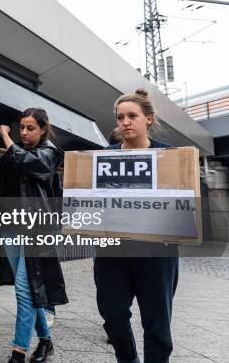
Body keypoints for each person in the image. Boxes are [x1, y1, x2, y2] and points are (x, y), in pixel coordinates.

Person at [94, 89, 179, 363]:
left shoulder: (169, 156)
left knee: (157, 323)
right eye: (120, 117)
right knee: (113, 315)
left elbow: (184, 206)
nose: (125, 122)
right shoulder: (102, 157)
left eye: (132, 116)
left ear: (148, 119)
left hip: (156, 252)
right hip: (111, 252)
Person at [0, 108, 68, 363]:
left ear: (43, 129)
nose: (24, 132)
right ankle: (45, 341)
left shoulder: (50, 152)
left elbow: (34, 165)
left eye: (31, 128)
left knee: (23, 288)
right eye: (22, 127)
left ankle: (17, 353)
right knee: (30, 289)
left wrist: (7, 142)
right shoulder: (14, 151)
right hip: (9, 225)